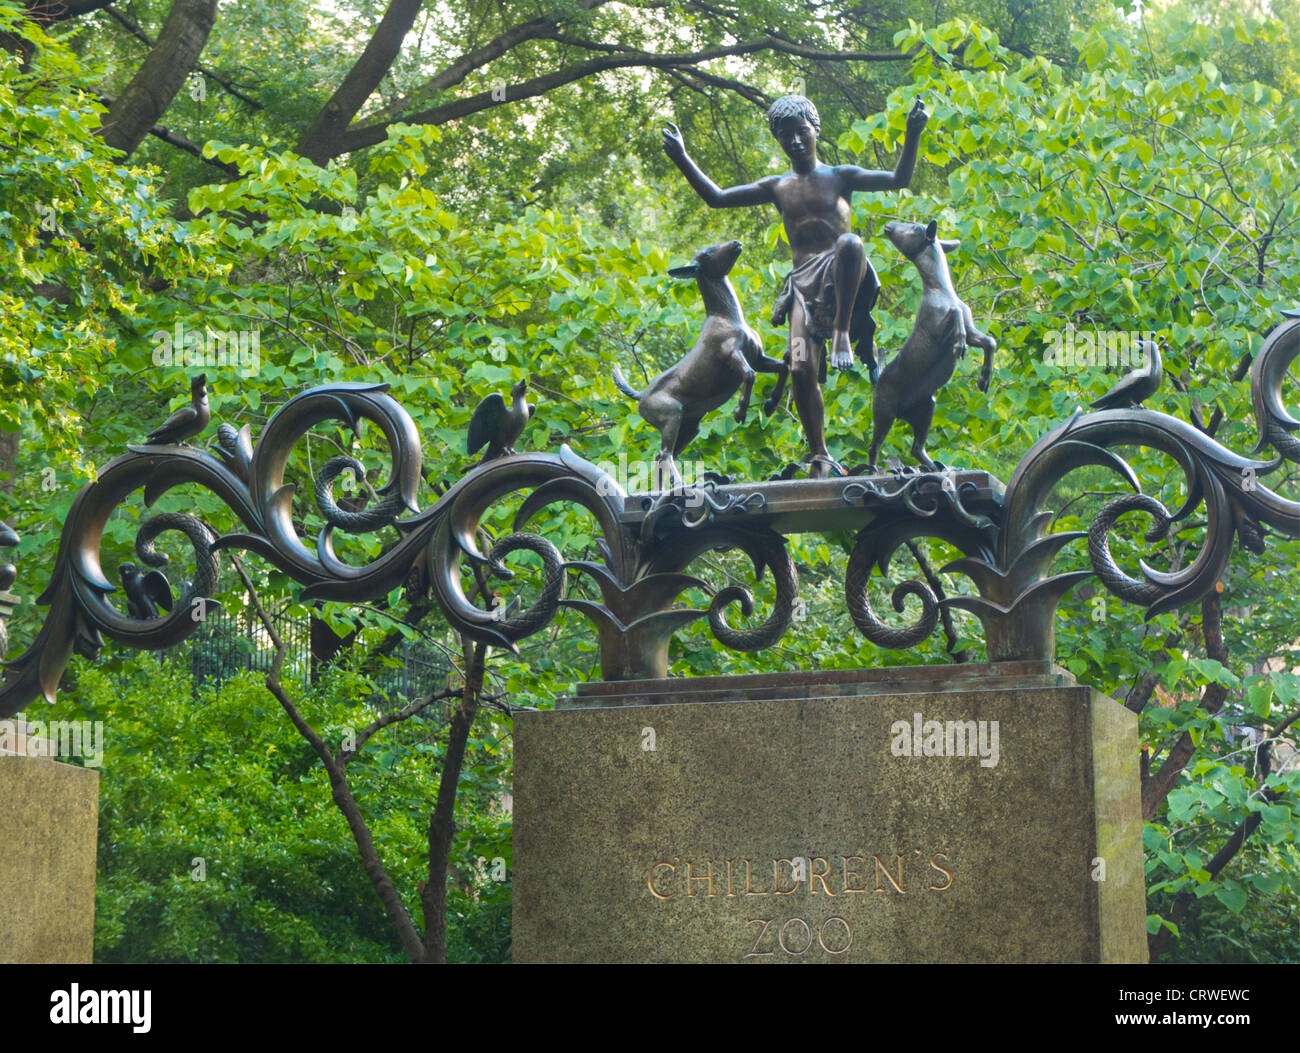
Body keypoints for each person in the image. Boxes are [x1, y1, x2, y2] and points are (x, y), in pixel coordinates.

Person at [662, 95, 928, 477]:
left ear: (815, 130)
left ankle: (840, 335)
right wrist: (682, 158)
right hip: (803, 290)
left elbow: (899, 179)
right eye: (785, 135)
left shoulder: (840, 176)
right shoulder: (777, 186)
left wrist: (913, 132)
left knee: (851, 242)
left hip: (843, 276)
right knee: (800, 365)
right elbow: (717, 198)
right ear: (778, 140)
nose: (796, 142)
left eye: (801, 132)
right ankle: (818, 452)